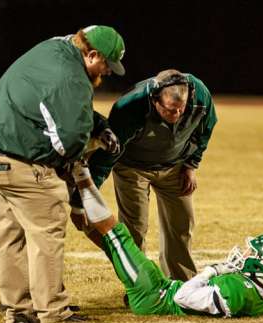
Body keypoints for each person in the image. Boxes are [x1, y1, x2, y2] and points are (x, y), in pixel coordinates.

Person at [0, 25, 125, 323]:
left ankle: (17, 309)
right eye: (106, 64)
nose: (108, 72)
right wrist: (78, 165)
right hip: (27, 163)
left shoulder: (51, 49)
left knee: (11, 237)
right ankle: (52, 311)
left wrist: (98, 124)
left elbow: (53, 103)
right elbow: (70, 138)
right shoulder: (73, 78)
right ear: (92, 54)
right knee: (46, 234)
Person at [69, 167, 263, 317]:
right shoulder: (262, 297)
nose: (244, 254)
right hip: (163, 289)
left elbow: (182, 297)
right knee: (117, 244)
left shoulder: (236, 292)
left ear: (262, 265)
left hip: (155, 297)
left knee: (118, 236)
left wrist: (211, 271)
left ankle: (80, 175)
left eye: (251, 254)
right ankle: (86, 218)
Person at [84, 69, 218, 281]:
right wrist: (89, 194)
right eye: (169, 110)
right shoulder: (129, 107)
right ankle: (140, 284)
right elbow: (108, 152)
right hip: (132, 168)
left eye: (180, 110)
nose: (175, 116)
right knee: (134, 229)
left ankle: (182, 284)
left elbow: (205, 130)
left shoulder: (200, 95)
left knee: (181, 225)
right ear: (154, 99)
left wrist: (191, 165)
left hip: (174, 167)